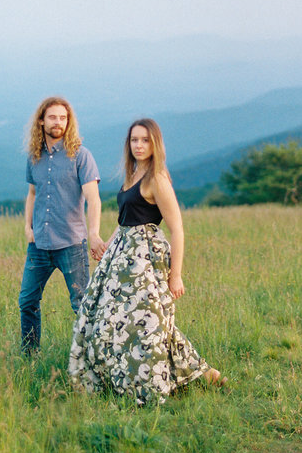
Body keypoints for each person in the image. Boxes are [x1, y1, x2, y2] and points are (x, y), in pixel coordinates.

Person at [69, 117, 223, 404]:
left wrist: (175, 275)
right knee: (115, 322)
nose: (138, 145)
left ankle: (152, 385)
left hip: (145, 262)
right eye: (134, 140)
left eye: (144, 140)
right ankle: (200, 374)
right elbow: (125, 221)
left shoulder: (157, 178)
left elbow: (176, 229)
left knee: (149, 324)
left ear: (155, 143)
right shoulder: (133, 174)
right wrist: (108, 243)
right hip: (120, 260)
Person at [20, 97, 106, 354]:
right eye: (53, 117)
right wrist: (28, 227)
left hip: (71, 244)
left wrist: (94, 233)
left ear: (69, 122)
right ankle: (29, 357)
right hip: (39, 245)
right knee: (27, 302)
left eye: (63, 118)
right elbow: (32, 193)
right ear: (41, 121)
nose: (58, 122)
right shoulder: (34, 156)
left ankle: (91, 359)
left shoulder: (81, 155)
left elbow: (93, 197)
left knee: (82, 306)